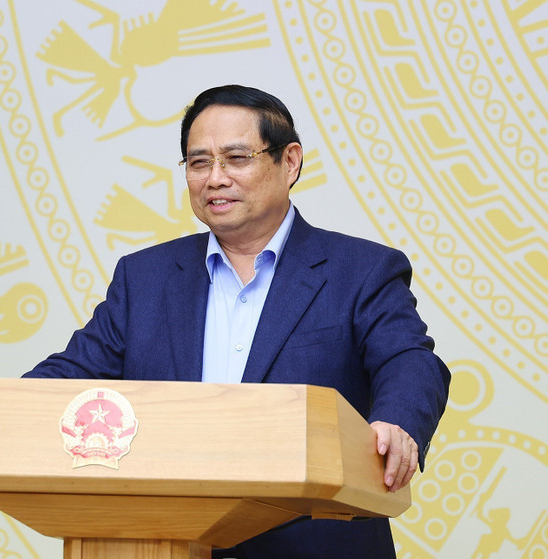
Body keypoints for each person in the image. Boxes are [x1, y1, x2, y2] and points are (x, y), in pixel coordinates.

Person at [23, 84, 450, 558]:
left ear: (290, 162)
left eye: (236, 158)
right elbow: (67, 379)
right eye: (199, 162)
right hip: (165, 540)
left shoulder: (360, 269)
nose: (215, 178)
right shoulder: (144, 278)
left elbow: (410, 361)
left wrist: (397, 419)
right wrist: (2, 413)